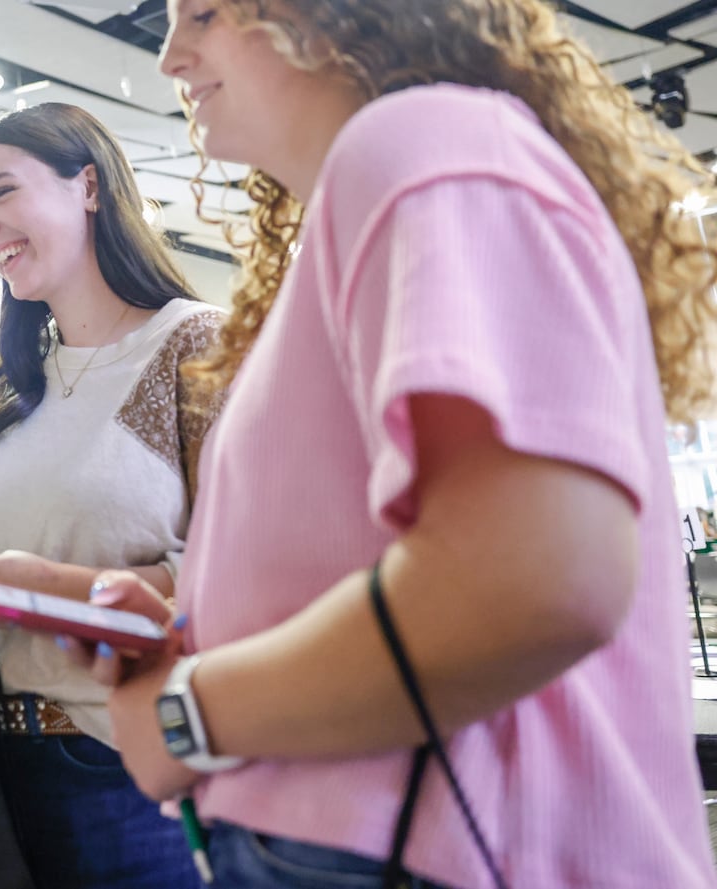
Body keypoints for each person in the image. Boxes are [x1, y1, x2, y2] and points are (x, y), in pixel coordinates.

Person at [71, 1, 717, 887]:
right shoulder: (394, 181)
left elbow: (530, 584)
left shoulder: (425, 144)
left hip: (427, 844)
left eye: (207, 13)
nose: (169, 60)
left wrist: (188, 715)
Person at [0, 102, 221, 889]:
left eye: (3, 192)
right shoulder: (6, 383)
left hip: (122, 765)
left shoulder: (193, 347)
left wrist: (50, 589)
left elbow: (251, 573)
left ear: (87, 185)